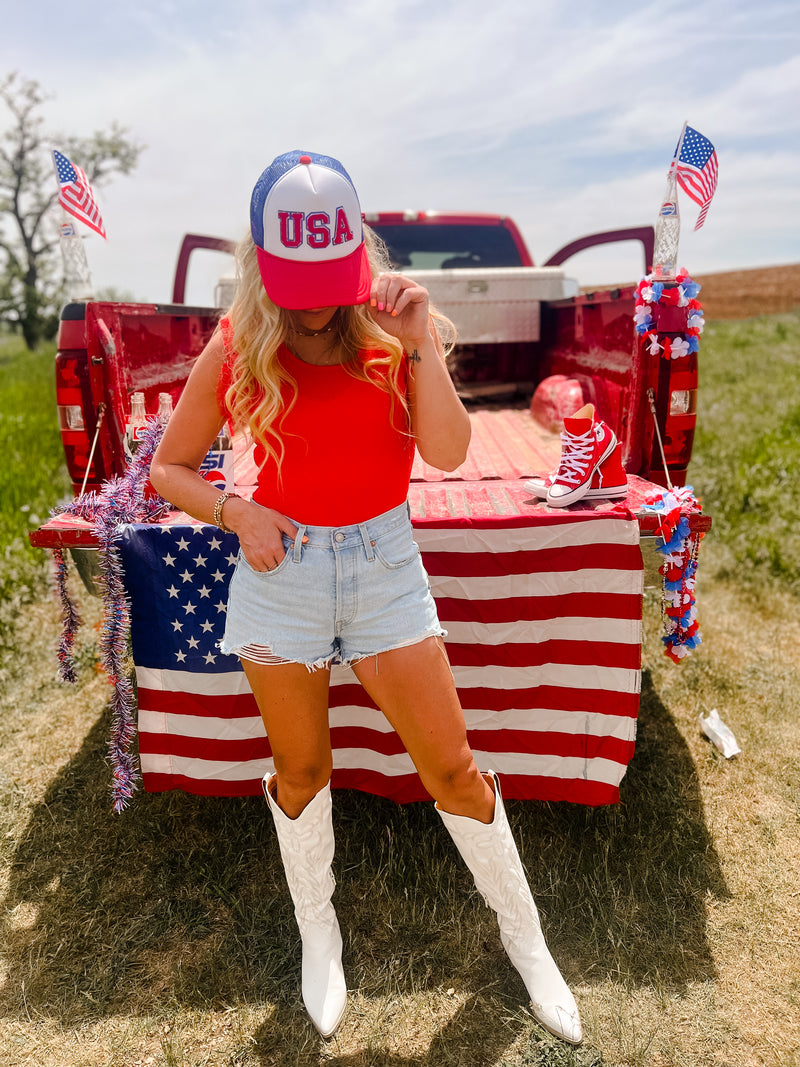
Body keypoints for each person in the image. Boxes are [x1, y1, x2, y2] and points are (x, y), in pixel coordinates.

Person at [150, 150, 583, 1045]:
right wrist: (238, 512)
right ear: (263, 261)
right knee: (303, 772)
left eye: (328, 281)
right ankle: (321, 932)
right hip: (284, 574)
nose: (313, 305)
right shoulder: (238, 341)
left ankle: (527, 939)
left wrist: (423, 338)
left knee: (452, 768)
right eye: (296, 283)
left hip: (385, 565)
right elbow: (169, 468)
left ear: (356, 255)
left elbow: (452, 452)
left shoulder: (393, 328)